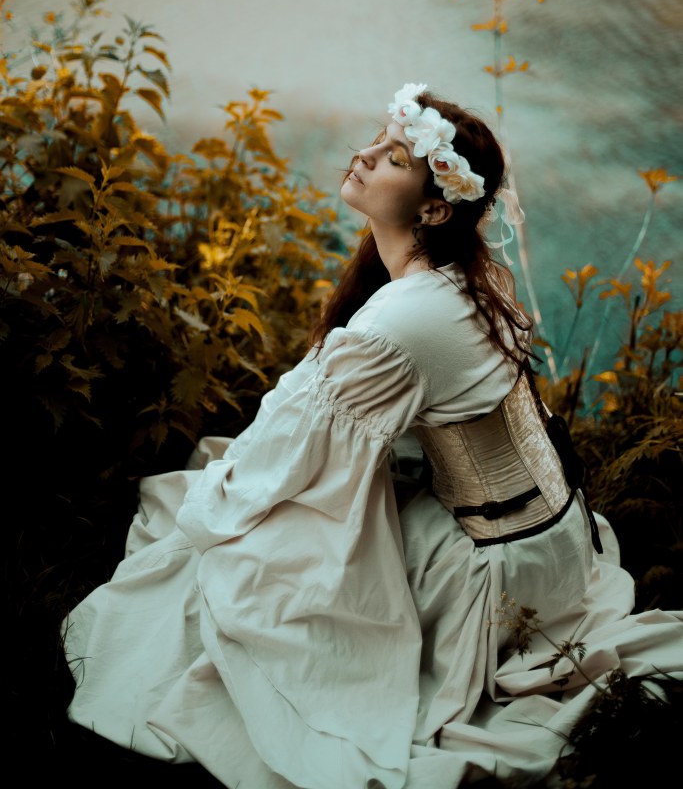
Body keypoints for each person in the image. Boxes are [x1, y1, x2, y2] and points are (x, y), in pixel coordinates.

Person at [62, 84, 682, 789]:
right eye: (377, 142)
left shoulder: (400, 321)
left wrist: (215, 513)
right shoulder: (476, 275)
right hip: (558, 545)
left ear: (434, 209)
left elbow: (286, 456)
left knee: (248, 558)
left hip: (496, 576)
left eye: (392, 158)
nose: (362, 156)